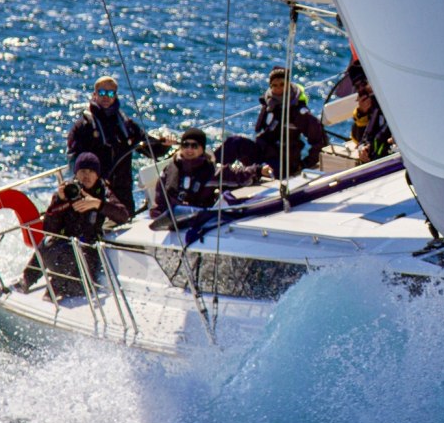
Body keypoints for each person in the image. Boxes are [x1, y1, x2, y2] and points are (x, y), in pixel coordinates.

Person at [14, 152, 131, 299]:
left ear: (97, 175)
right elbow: (49, 228)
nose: (86, 176)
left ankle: (56, 286)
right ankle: (27, 279)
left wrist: (97, 204)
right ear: (76, 173)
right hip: (64, 242)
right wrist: (61, 202)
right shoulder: (68, 191)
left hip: (88, 245)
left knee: (82, 282)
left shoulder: (103, 192)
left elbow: (123, 215)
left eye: (91, 171)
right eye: (82, 171)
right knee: (46, 243)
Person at [67, 75, 176, 214]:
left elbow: (149, 149)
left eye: (110, 93)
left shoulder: (126, 124)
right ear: (94, 95)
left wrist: (164, 144)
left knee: (125, 220)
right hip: (94, 189)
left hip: (122, 189)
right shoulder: (83, 126)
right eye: (102, 93)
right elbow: (74, 160)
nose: (106, 97)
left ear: (115, 96)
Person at [217, 67, 326, 177]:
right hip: (263, 152)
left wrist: (304, 165)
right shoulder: (269, 104)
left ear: (289, 85)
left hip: (284, 162)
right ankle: (209, 172)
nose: (278, 88)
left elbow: (320, 140)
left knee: (267, 172)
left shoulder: (298, 112)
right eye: (274, 85)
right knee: (235, 142)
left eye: (282, 84)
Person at [151, 127, 271, 218]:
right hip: (173, 222)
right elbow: (160, 199)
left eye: (194, 146)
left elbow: (239, 176)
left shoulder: (212, 171)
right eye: (185, 145)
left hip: (199, 219)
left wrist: (259, 170)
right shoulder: (169, 170)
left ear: (202, 149)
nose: (189, 149)